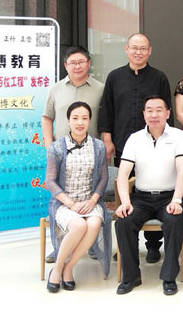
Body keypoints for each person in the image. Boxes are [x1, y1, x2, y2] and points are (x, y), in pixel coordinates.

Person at [99, 33, 172, 263]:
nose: (138, 52)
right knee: (126, 193)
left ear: (149, 51)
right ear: (127, 49)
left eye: (143, 48)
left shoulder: (159, 77)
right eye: (134, 48)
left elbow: (166, 112)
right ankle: (126, 245)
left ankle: (153, 245)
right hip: (123, 144)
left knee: (154, 193)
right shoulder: (114, 77)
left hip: (155, 146)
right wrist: (107, 139)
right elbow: (107, 108)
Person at [114, 95, 183, 296]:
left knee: (174, 221)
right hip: (141, 198)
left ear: (167, 113)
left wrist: (177, 200)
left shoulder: (178, 137)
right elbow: (123, 173)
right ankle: (131, 276)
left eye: (158, 110)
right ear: (144, 114)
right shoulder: (135, 138)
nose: (154, 115)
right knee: (123, 221)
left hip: (169, 197)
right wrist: (125, 202)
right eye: (149, 110)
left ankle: (169, 277)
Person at [42, 45, 104, 264]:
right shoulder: (55, 89)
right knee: (59, 200)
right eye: (72, 63)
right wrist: (49, 146)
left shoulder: (101, 88)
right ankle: (59, 247)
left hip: (91, 155)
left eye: (81, 62)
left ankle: (92, 244)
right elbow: (47, 118)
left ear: (88, 63)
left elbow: (106, 119)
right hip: (61, 155)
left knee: (92, 198)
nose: (77, 66)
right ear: (65, 65)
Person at [45, 102, 111, 292]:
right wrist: (71, 204)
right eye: (75, 118)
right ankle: (57, 269)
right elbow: (50, 181)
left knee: (94, 223)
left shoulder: (98, 146)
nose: (80, 122)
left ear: (90, 121)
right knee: (79, 225)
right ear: (68, 121)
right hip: (64, 203)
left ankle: (68, 268)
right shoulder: (57, 147)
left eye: (84, 118)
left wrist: (92, 200)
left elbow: (103, 178)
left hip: (91, 201)